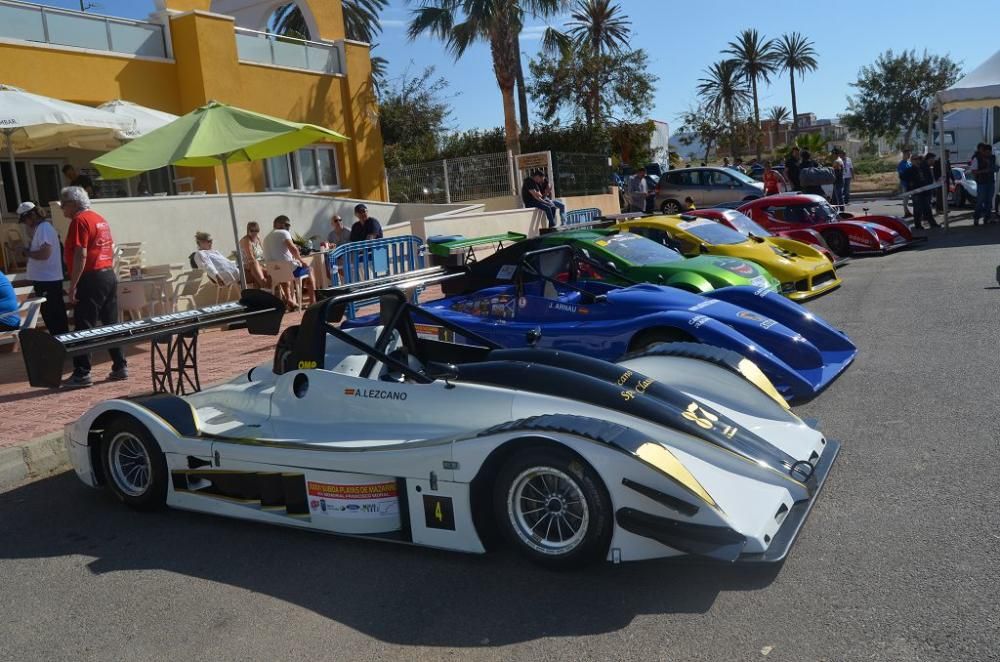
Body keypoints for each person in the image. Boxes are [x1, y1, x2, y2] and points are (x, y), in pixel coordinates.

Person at [61, 186, 126, 387]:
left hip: (91, 276)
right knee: (110, 322)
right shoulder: (100, 219)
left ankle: (82, 373)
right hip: (107, 274)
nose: (62, 209)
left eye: (64, 204)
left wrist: (73, 285)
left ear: (73, 203)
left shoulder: (79, 221)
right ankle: (119, 365)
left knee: (84, 325)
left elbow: (81, 254)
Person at [17, 201, 68, 335]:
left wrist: (26, 252)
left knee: (53, 315)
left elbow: (45, 254)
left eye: (25, 219)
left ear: (32, 216)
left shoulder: (44, 228)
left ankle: (62, 342)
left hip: (48, 281)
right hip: (46, 280)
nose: (25, 224)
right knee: (51, 314)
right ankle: (61, 341)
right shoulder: (42, 229)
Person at [264, 215, 314, 310]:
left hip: (274, 273)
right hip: (289, 271)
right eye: (286, 225)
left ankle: (289, 300)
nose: (288, 227)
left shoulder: (266, 238)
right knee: (310, 269)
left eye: (289, 225)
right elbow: (293, 249)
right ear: (277, 224)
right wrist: (301, 260)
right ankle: (313, 302)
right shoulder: (284, 233)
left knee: (283, 271)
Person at [971, 143, 997, 225]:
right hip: (981, 183)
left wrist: (991, 166)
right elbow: (973, 171)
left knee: (989, 201)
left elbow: (996, 168)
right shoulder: (976, 158)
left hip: (991, 182)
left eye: (990, 152)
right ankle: (976, 218)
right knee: (980, 201)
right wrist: (984, 171)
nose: (988, 154)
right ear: (983, 151)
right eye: (987, 152)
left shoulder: (993, 157)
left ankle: (987, 218)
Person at [238, 221, 268, 289]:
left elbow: (264, 253)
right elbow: (250, 257)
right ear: (248, 230)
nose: (254, 232)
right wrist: (262, 267)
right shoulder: (246, 240)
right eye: (252, 230)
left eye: (256, 230)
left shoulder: (258, 238)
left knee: (273, 272)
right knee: (254, 263)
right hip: (248, 266)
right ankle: (264, 285)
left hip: (260, 264)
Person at [898, 148, 913, 218]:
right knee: (905, 199)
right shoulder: (901, 164)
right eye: (908, 154)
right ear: (904, 155)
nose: (909, 155)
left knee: (910, 198)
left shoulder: (910, 163)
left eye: (910, 154)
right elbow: (901, 175)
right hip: (905, 184)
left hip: (912, 184)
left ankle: (908, 212)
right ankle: (906, 212)